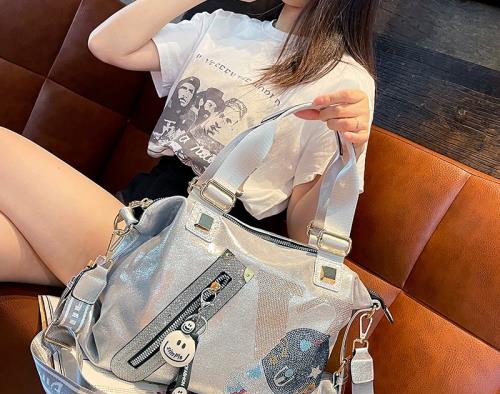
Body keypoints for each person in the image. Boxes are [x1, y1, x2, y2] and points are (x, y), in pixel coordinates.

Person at [0, 0, 376, 287]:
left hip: (192, 253)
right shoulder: (222, 28)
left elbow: (304, 234)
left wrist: (346, 153)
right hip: (129, 214)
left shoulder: (345, 80)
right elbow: (108, 44)